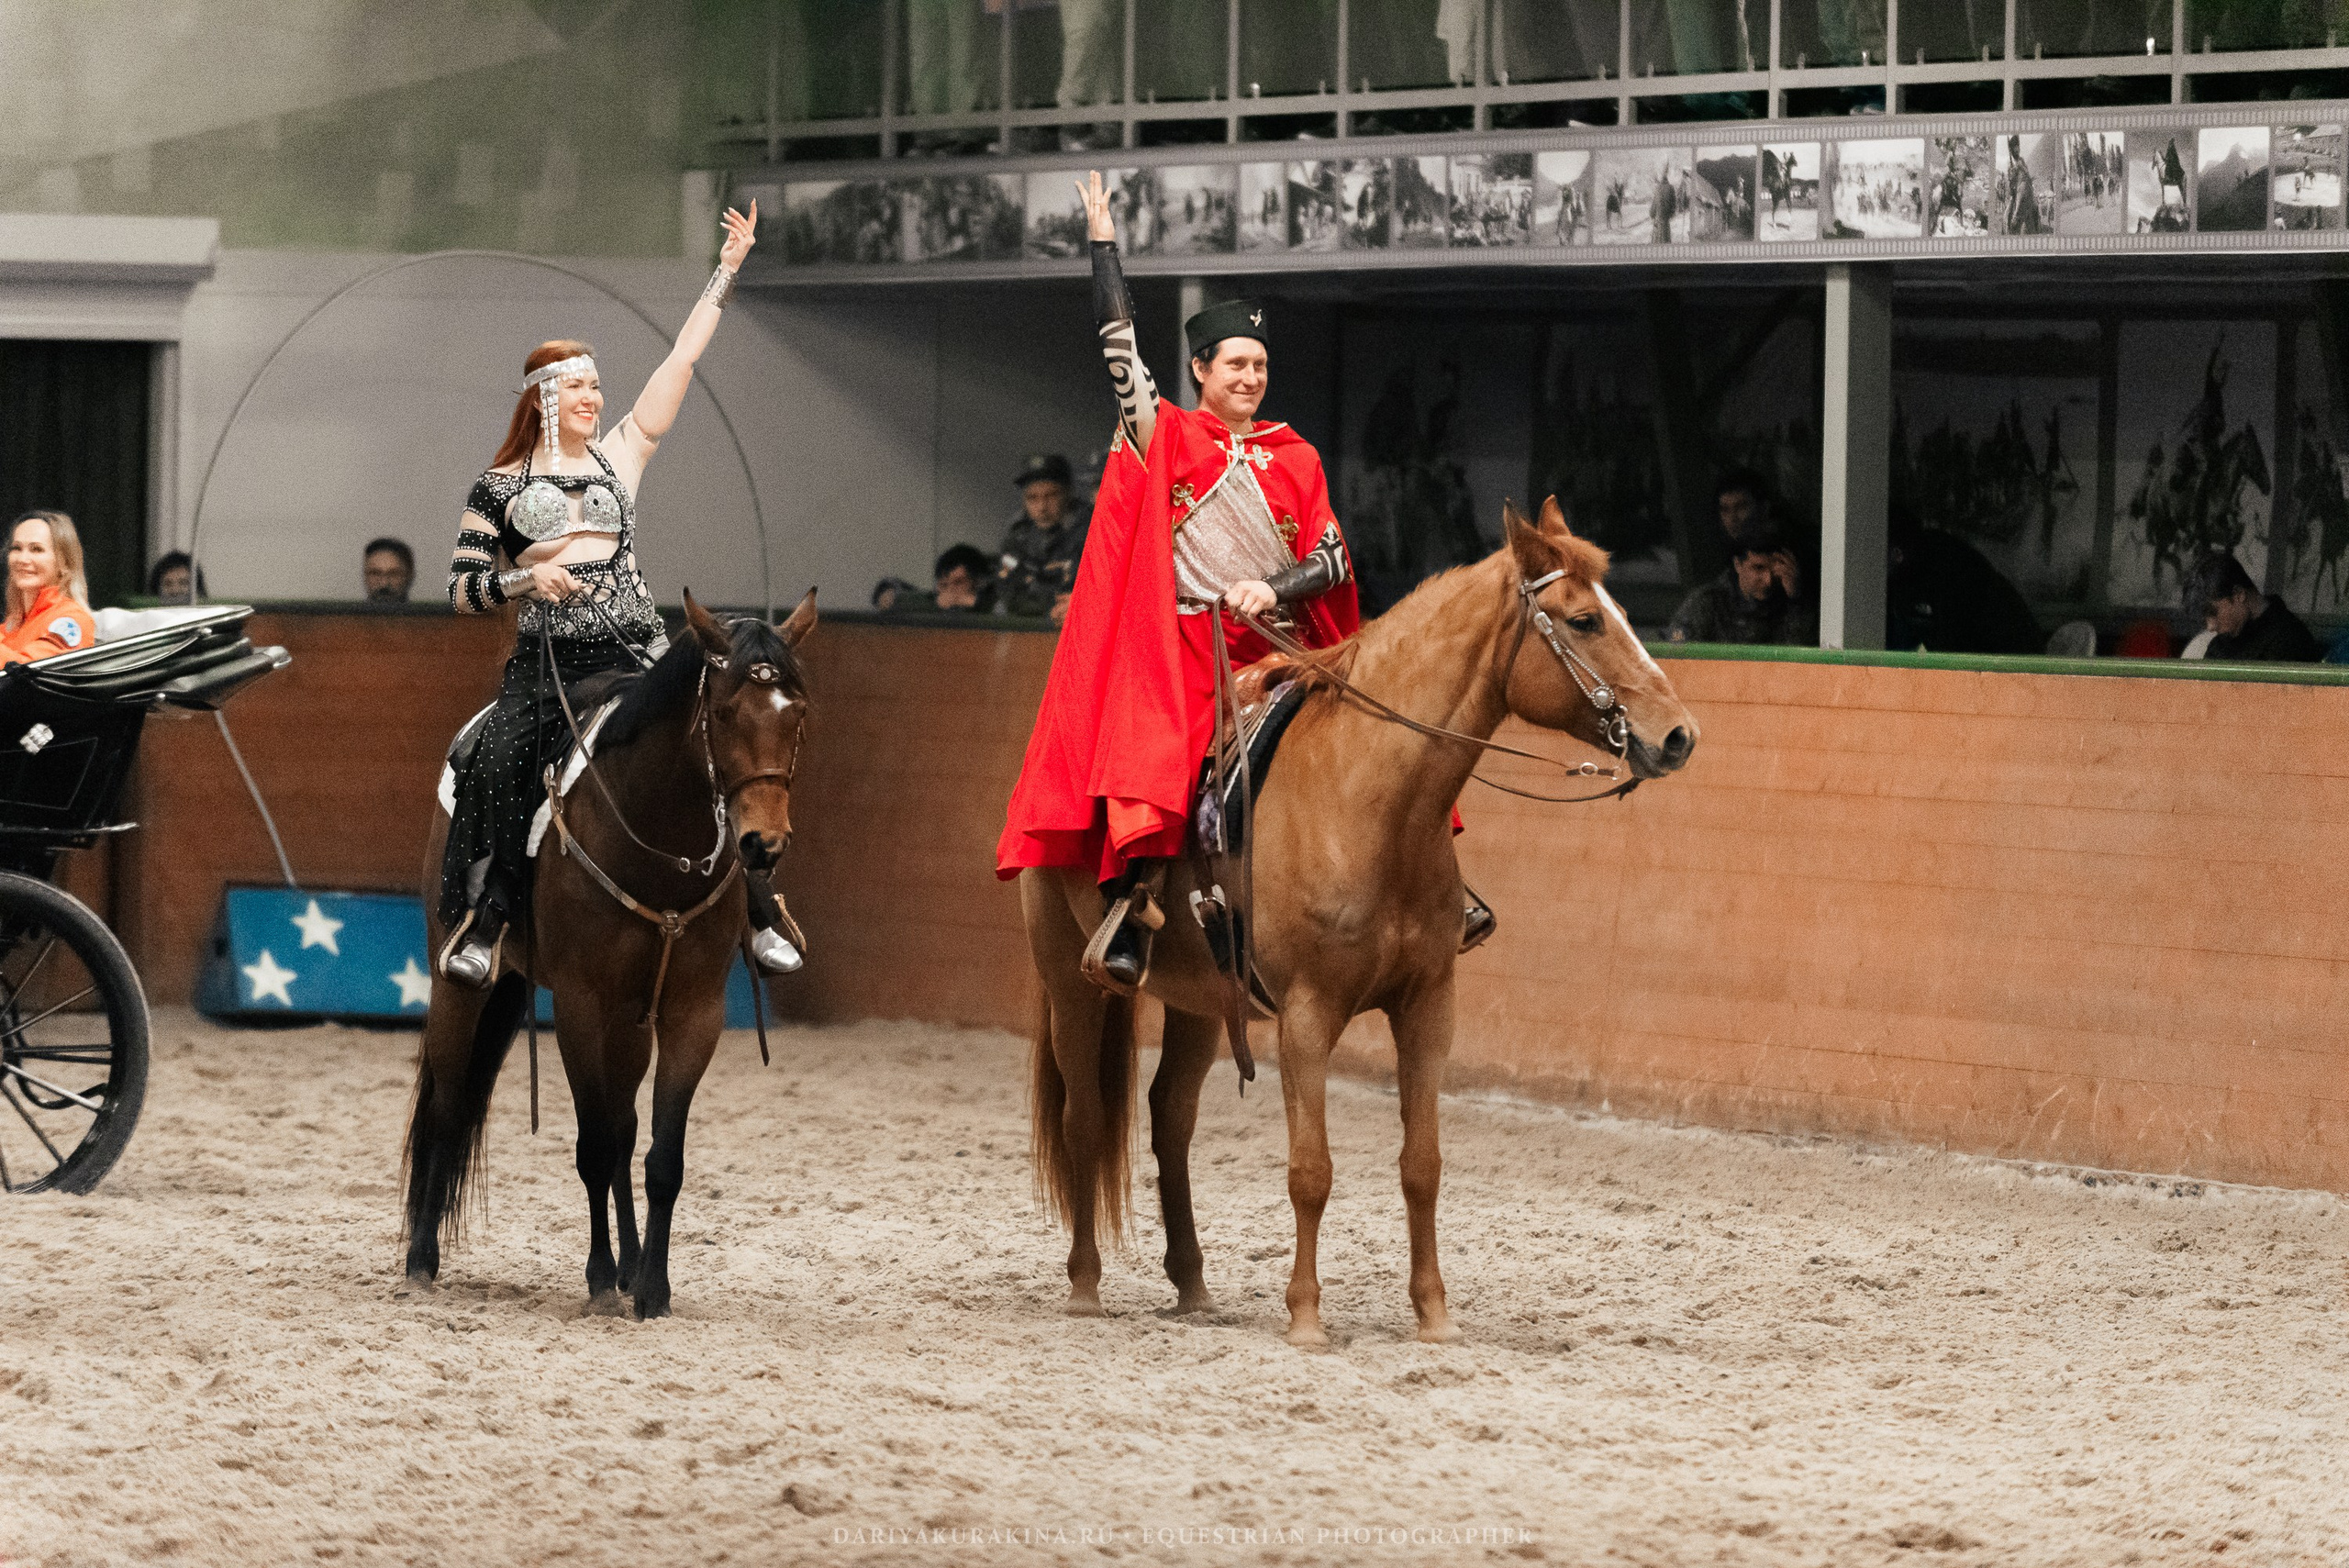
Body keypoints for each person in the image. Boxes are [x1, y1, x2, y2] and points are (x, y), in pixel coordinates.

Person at [996, 171, 1490, 990]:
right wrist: (1103, 248)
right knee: (1163, 749)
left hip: (1282, 644)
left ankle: (1439, 883)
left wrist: (1276, 586)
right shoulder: (1168, 436)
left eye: (1260, 364)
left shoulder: (1296, 456)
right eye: (1236, 364)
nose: (1252, 377)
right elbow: (1120, 350)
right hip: (1187, 644)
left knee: (1388, 737)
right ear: (1200, 370)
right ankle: (1134, 900)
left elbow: (1331, 557)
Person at [437, 200, 803, 987]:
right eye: (579, 389)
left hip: (637, 648)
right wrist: (524, 578)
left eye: (598, 387)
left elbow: (680, 362)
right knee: (497, 754)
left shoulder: (620, 458)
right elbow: (463, 590)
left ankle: (760, 908)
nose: (595, 399)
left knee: (715, 738)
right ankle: (491, 914)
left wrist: (727, 272)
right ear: (544, 397)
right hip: (549, 662)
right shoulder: (498, 487)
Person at [1885, 510, 2042, 654]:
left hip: (2007, 658)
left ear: (1898, 554)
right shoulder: (1902, 579)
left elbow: (1950, 646)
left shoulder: (1949, 567)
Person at [1666, 525, 1817, 646]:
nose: (1768, 580)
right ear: (1738, 565)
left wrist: (1796, 600)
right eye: (1758, 568)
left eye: (1775, 571)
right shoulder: (1708, 602)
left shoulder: (1790, 603)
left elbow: (1799, 661)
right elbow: (1675, 648)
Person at [996, 453, 1089, 617]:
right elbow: (1007, 588)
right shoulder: (1018, 538)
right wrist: (1048, 609)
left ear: (1067, 494)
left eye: (1051, 496)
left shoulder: (1094, 531)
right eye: (1032, 498)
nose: (1042, 507)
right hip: (1036, 621)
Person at [2185, 551, 2321, 662]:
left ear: (2239, 595)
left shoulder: (2290, 641)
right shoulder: (2220, 644)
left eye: (2213, 612)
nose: (2210, 626)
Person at [2, 510, 97, 666]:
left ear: (64, 563)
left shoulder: (72, 620)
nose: (22, 559)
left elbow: (28, 672)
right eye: (17, 548)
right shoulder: (16, 620)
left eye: (36, 549)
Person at [363, 538, 416, 603]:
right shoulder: (348, 613)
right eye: (375, 573)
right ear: (365, 575)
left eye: (394, 574)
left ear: (409, 575)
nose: (384, 583)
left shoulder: (425, 613)